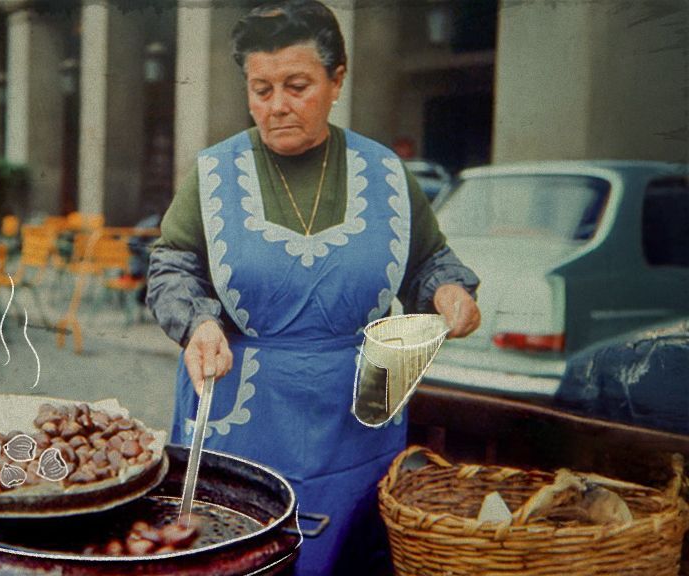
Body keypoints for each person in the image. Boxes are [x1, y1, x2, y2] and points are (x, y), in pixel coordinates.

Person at [145, 2, 481, 574]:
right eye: (261, 88)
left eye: (297, 86)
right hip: (239, 412)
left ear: (336, 80)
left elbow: (429, 262)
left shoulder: (387, 174)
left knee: (349, 555)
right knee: (237, 553)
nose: (277, 106)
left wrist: (449, 292)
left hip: (357, 414)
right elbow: (171, 266)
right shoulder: (214, 173)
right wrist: (198, 322)